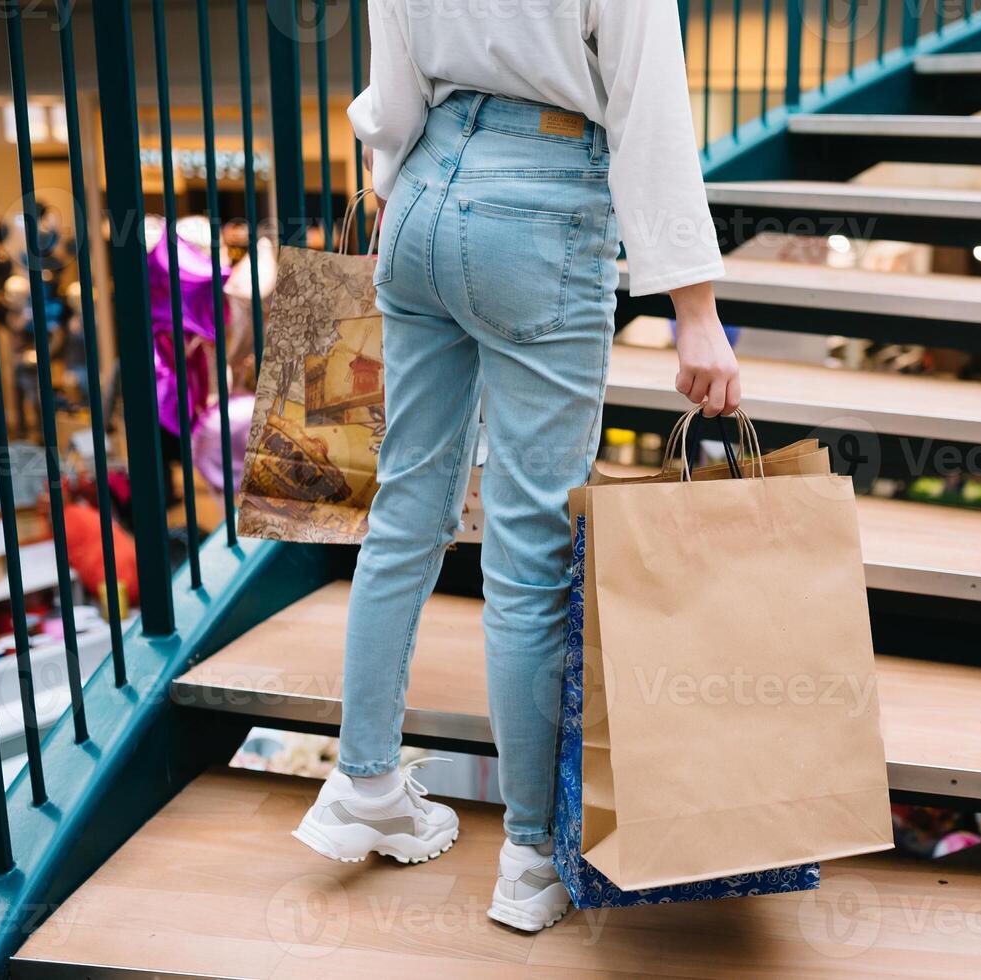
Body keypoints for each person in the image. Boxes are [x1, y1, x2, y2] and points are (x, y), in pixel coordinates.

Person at [292, 0, 741, 932]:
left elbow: (395, 90)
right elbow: (648, 105)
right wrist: (695, 311)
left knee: (406, 509)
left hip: (416, 201)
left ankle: (364, 781)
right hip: (540, 209)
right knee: (529, 551)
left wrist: (394, 185)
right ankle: (531, 857)